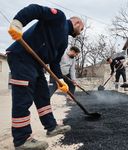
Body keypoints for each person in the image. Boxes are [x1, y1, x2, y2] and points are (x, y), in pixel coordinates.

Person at [6, 4, 84, 149]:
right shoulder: (59, 17)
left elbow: (54, 62)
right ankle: (22, 140)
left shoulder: (64, 41)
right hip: (22, 57)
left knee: (42, 95)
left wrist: (60, 80)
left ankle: (51, 127)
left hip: (37, 64)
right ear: (77, 23)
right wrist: (18, 22)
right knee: (23, 98)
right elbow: (35, 9)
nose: (80, 32)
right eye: (81, 29)